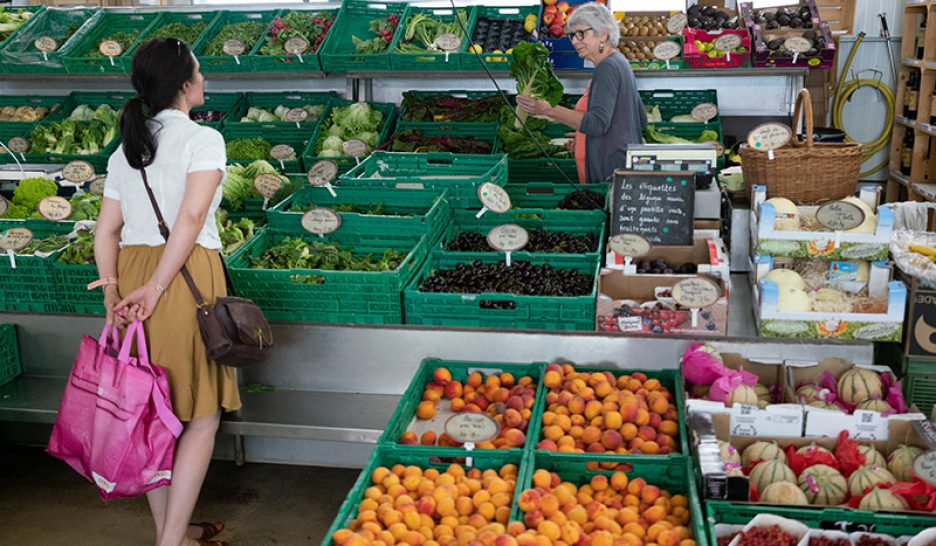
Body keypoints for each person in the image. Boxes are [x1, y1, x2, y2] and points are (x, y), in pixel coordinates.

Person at [94, 38, 240, 546]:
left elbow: (104, 231)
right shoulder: (204, 140)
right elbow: (192, 218)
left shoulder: (125, 148)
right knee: (200, 418)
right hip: (182, 276)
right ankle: (171, 541)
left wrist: (113, 292)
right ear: (183, 84)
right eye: (199, 72)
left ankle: (173, 530)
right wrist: (156, 287)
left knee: (151, 414)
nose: (204, 80)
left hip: (132, 273)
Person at [517, 2, 647, 183]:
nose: (575, 41)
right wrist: (584, 138)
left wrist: (548, 110)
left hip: (608, 171)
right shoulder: (620, 62)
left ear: (603, 34)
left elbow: (597, 124)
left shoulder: (607, 68)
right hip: (620, 165)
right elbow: (640, 118)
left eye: (581, 34)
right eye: (572, 35)